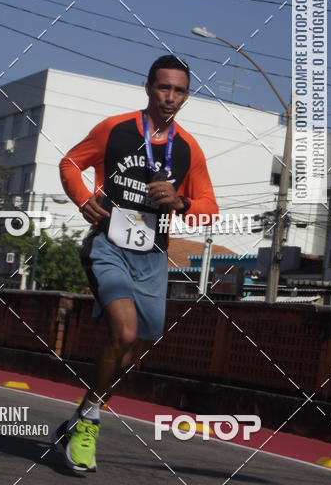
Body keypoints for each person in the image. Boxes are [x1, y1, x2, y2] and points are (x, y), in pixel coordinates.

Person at [53, 55, 218, 472]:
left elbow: (209, 210)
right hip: (108, 245)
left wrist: (182, 202)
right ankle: (89, 425)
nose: (170, 97)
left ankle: (80, 417)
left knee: (129, 353)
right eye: (164, 87)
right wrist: (82, 199)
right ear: (148, 88)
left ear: (186, 96)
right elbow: (70, 163)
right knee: (123, 331)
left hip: (152, 258)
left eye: (179, 91)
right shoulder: (116, 129)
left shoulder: (188, 149)